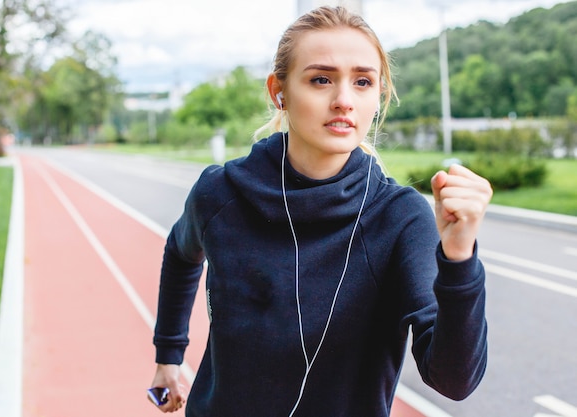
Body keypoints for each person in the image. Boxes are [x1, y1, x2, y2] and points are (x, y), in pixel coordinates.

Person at [149, 5, 493, 417]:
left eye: (363, 81)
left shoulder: (400, 219)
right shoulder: (219, 193)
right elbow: (180, 251)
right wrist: (169, 355)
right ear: (279, 92)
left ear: (378, 96)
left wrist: (459, 260)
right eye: (321, 80)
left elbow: (454, 382)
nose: (344, 100)